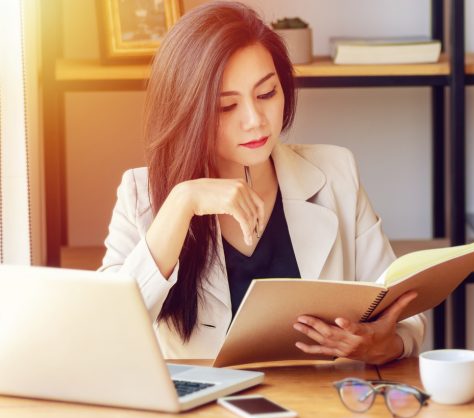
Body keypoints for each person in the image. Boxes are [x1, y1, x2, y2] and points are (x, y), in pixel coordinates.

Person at [99, 1, 427, 364]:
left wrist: (386, 345)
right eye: (226, 107)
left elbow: (400, 311)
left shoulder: (335, 172)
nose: (255, 120)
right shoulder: (141, 195)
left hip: (321, 410)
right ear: (186, 110)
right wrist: (182, 203)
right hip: (203, 417)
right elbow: (108, 329)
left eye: (266, 94)